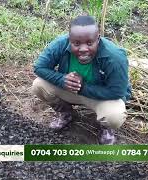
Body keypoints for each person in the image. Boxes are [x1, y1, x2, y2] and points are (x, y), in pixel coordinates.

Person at [32, 15, 131, 144]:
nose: (83, 49)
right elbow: (39, 67)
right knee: (38, 85)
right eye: (76, 43)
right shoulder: (60, 44)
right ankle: (66, 113)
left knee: (114, 116)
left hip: (100, 96)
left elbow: (118, 92)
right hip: (69, 89)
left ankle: (106, 128)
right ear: (69, 40)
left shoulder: (114, 57)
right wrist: (62, 79)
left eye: (90, 43)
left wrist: (82, 87)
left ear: (98, 39)